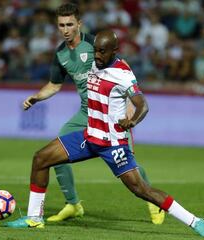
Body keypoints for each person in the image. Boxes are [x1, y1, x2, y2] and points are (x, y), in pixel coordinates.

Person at [6, 30, 204, 238]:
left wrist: (132, 120)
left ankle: (194, 221)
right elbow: (75, 50)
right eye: (96, 50)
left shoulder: (123, 73)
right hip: (89, 137)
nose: (97, 55)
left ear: (115, 51)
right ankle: (34, 218)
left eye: (102, 52)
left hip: (113, 144)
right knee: (41, 158)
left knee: (142, 190)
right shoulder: (94, 62)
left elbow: (142, 105)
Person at [15, 3, 164, 224]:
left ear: (79, 24)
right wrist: (37, 96)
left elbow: (120, 70)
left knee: (127, 162)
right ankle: (73, 204)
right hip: (85, 113)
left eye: (69, 24)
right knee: (55, 154)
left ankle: (154, 202)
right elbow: (54, 85)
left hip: (110, 114)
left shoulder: (95, 44)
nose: (65, 30)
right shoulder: (61, 54)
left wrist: (130, 105)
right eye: (61, 25)